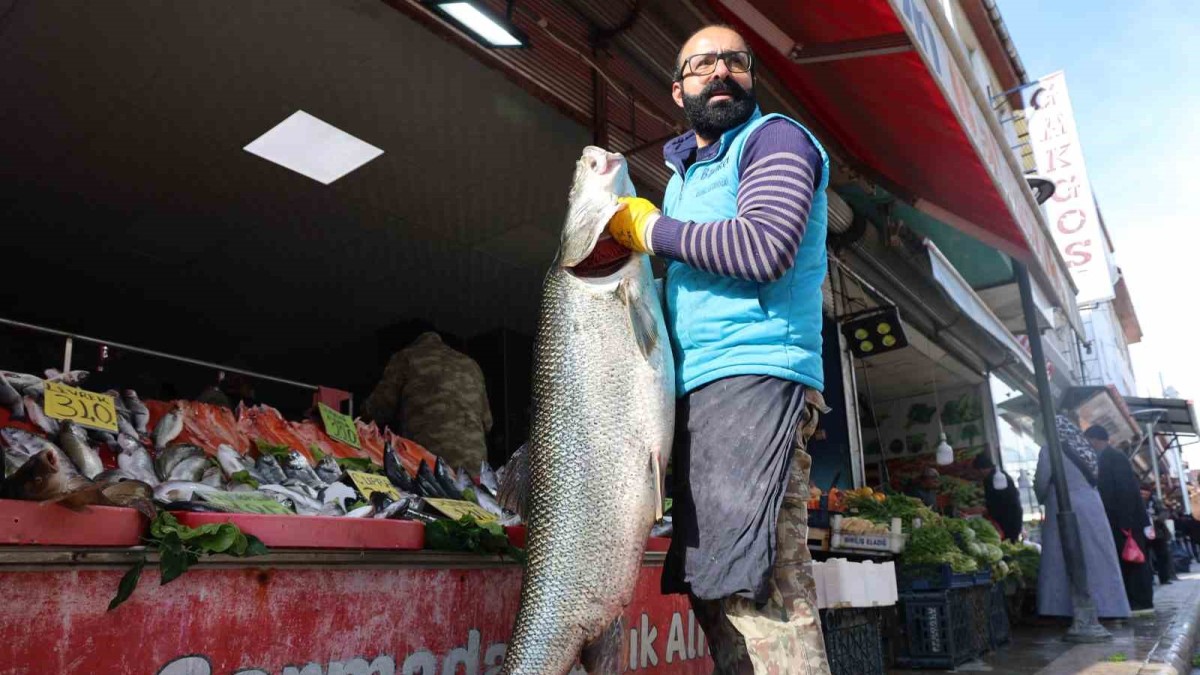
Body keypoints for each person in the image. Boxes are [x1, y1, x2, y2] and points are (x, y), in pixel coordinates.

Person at [604, 24, 831, 673]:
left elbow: (763, 249)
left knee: (764, 596)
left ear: (751, 78)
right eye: (703, 65)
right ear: (678, 90)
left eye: (735, 61)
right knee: (719, 597)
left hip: (755, 379)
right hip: (697, 398)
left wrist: (650, 228)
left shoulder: (774, 138)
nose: (722, 72)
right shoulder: (684, 181)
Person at [1035, 415, 1131, 620]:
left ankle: (1060, 609)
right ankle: (1111, 609)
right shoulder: (1085, 448)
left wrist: (1041, 496)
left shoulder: (1049, 449)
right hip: (1093, 507)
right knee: (1098, 556)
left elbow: (1042, 481)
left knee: (1060, 556)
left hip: (1063, 504)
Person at [362, 320, 493, 470]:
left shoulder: (406, 357)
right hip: (476, 469)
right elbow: (487, 423)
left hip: (429, 468)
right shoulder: (471, 365)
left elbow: (378, 409)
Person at [1088, 425, 1153, 612]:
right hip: (1121, 521)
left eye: (1089, 440)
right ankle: (1135, 600)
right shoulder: (1108, 458)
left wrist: (1125, 523)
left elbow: (1125, 491)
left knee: (1134, 560)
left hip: (1127, 522)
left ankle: (1142, 602)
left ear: (1095, 439)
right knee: (1128, 560)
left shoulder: (1114, 458)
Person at [974, 454, 1024, 541]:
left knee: (1008, 542)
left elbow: (994, 503)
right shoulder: (1000, 473)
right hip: (1014, 514)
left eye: (977, 473)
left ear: (981, 470)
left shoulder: (991, 479)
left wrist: (983, 509)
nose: (978, 476)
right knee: (1012, 542)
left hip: (1008, 518)